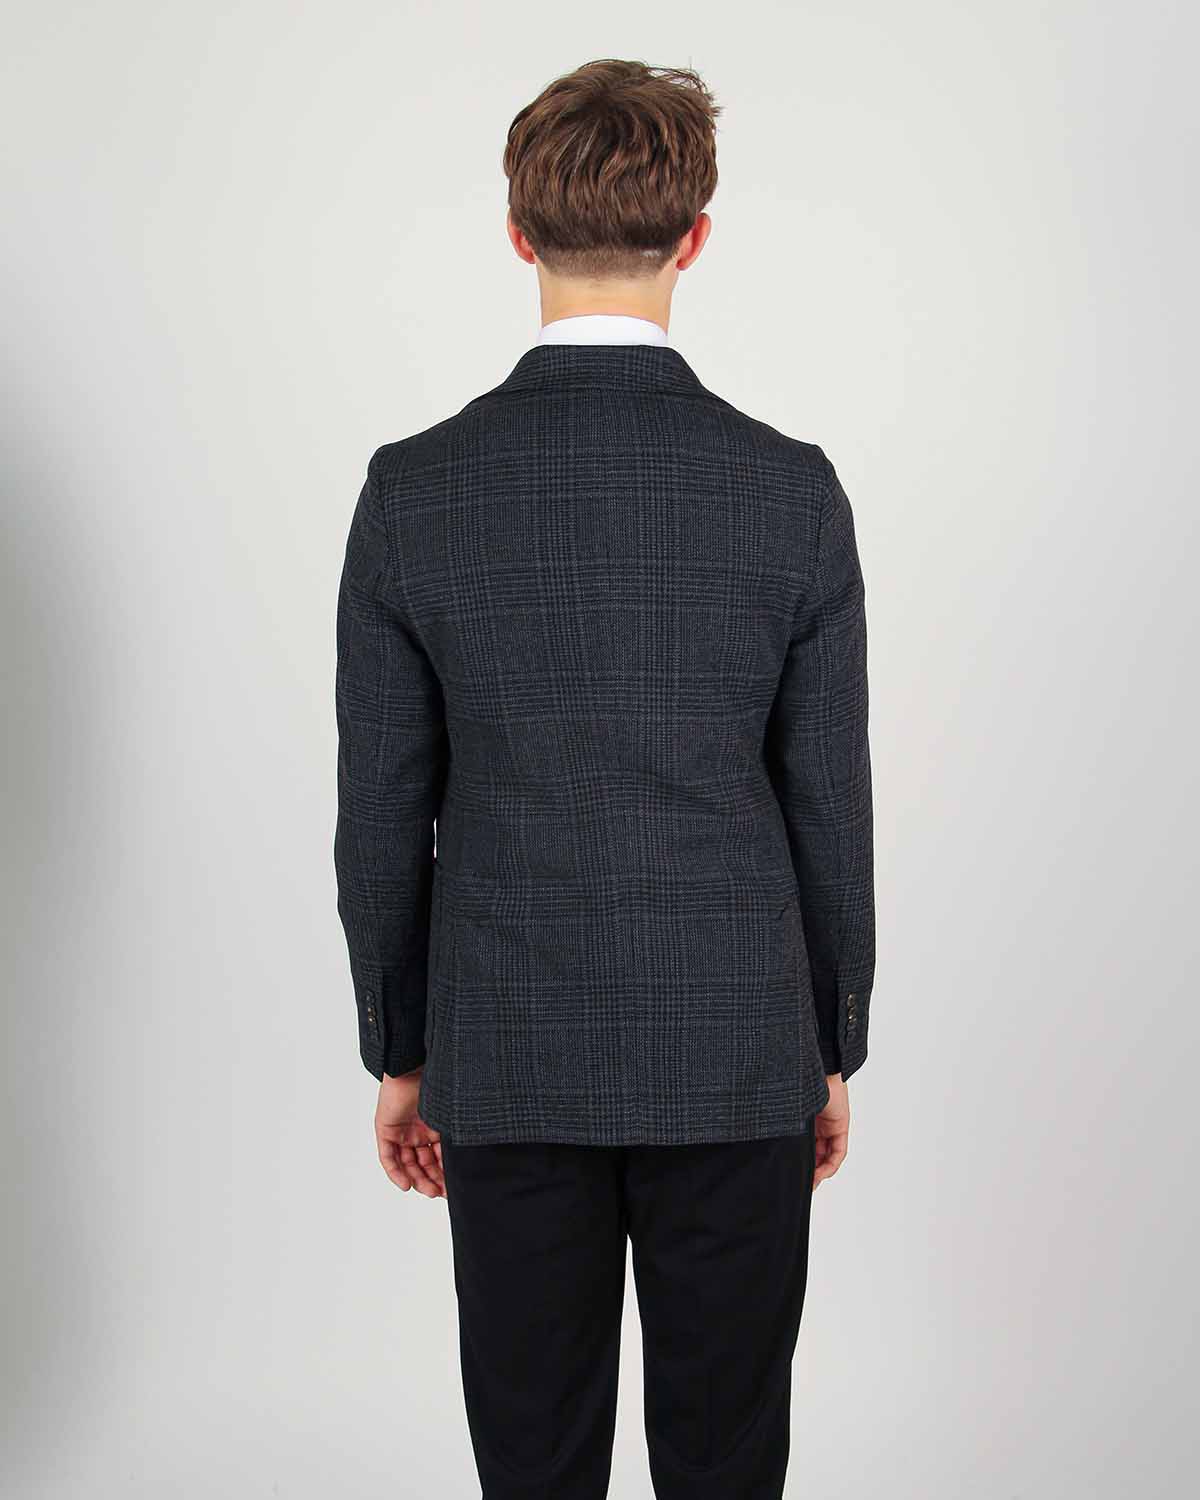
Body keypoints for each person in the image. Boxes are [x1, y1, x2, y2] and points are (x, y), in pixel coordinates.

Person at [334, 57, 875, 1500]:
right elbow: (829, 805)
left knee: (533, 1463)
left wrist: (403, 1052)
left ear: (517, 232)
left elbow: (380, 815)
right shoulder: (789, 489)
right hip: (737, 1053)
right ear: (695, 236)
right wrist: (828, 1041)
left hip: (506, 1052)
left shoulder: (415, 490)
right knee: (726, 1462)